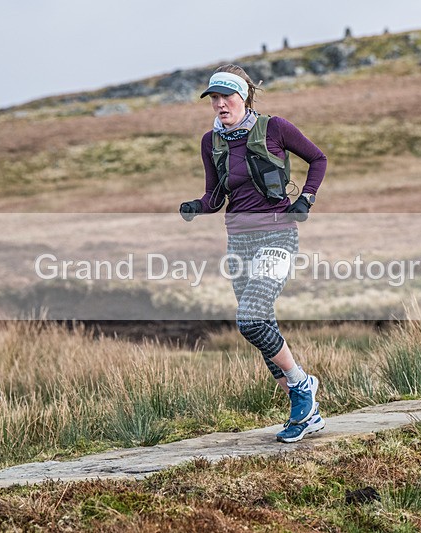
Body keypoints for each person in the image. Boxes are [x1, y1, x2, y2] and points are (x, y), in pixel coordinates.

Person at [179, 64, 327, 443]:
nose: (219, 105)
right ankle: (305, 411)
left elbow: (318, 159)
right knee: (261, 330)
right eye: (213, 98)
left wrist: (306, 199)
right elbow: (215, 196)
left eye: (226, 97)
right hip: (238, 241)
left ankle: (302, 385)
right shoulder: (211, 142)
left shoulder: (275, 128)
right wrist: (197, 206)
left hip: (277, 236)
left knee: (249, 319)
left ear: (243, 97)